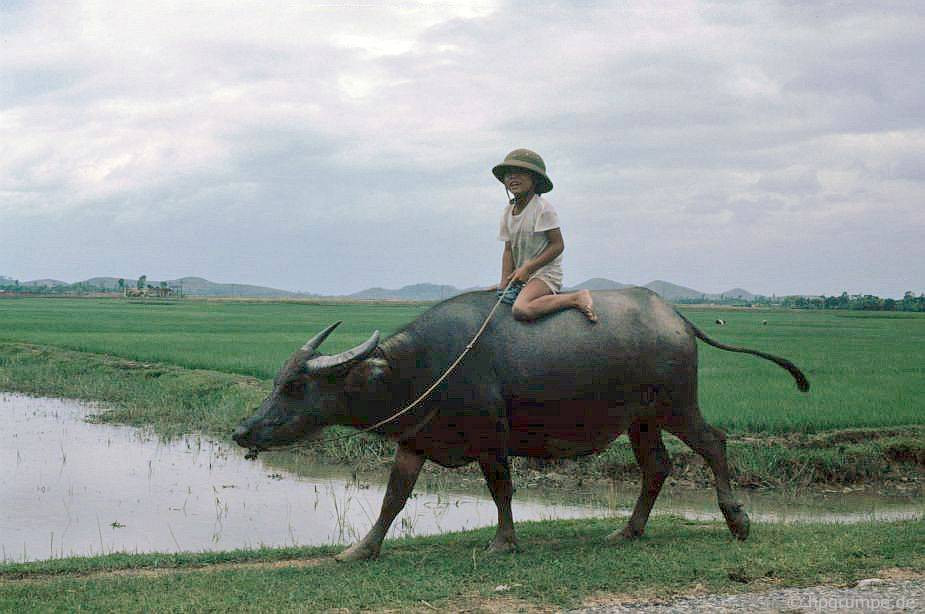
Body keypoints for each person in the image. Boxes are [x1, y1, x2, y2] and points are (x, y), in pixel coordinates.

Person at [491, 149, 596, 322]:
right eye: (509, 175)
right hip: (521, 275)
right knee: (495, 293)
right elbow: (508, 250)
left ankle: (575, 298)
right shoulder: (507, 212)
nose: (513, 178)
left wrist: (528, 268)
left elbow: (557, 245)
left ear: (535, 179)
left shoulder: (542, 209)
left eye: (520, 173)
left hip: (544, 274)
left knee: (521, 308)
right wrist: (504, 282)